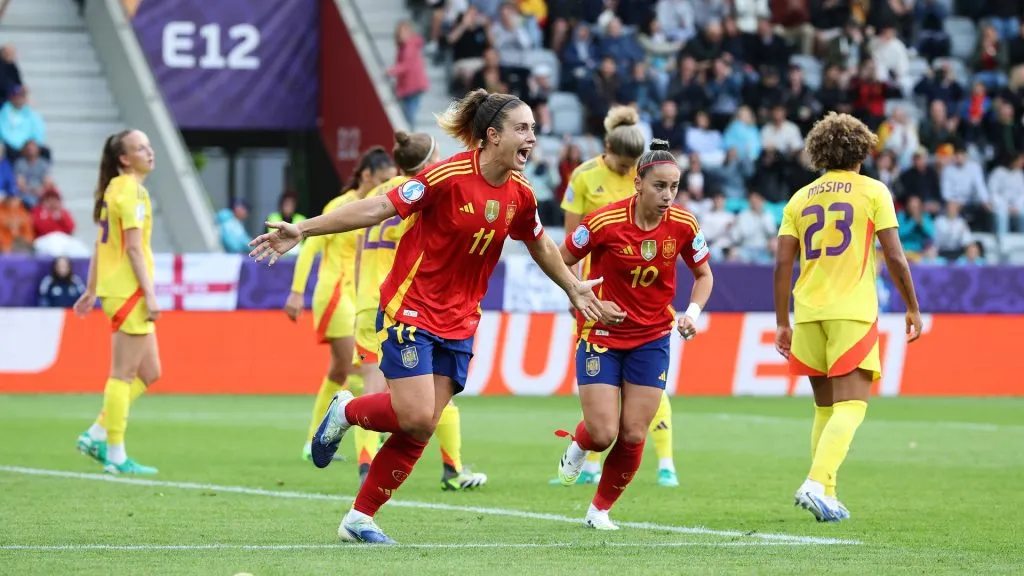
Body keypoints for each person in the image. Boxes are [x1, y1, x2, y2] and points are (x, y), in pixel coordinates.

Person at [249, 89, 615, 544]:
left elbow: (539, 243)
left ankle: (359, 519)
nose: (532, 138)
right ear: (492, 135)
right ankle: (346, 410)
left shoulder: (521, 194)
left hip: (461, 321)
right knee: (418, 415)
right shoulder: (447, 176)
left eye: (534, 130)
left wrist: (573, 284)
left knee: (419, 427)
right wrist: (302, 229)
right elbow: (379, 207)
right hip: (412, 307)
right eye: (523, 129)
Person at [554, 139, 713, 530]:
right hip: (602, 336)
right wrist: (585, 297)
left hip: (653, 337)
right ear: (638, 182)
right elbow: (560, 260)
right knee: (602, 431)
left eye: (674, 187)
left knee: (633, 432)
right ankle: (579, 444)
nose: (667, 195)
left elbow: (704, 275)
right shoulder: (604, 222)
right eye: (659, 186)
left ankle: (599, 511)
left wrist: (692, 312)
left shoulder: (684, 224)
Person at [773, 112, 923, 522]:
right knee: (852, 407)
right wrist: (912, 305)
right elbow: (894, 255)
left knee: (826, 409)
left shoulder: (799, 199)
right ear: (862, 149)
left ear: (819, 150)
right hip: (851, 313)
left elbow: (782, 266)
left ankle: (828, 494)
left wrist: (783, 322)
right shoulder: (873, 191)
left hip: (808, 314)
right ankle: (815, 482)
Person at [352, 131, 488, 491]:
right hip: (407, 302)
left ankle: (367, 464)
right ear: (431, 157)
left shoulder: (375, 194)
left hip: (367, 300)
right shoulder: (427, 192)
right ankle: (452, 467)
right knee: (427, 396)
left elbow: (357, 249)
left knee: (382, 386)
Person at [557, 105, 681, 488]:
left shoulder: (654, 182)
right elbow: (570, 244)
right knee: (604, 408)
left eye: (634, 166)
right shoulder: (584, 177)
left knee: (647, 392)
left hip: (649, 294)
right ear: (608, 149)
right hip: (601, 297)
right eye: (624, 164)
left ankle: (666, 461)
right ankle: (591, 458)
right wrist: (576, 291)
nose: (630, 172)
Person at [286, 147, 396, 462]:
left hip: (358, 295)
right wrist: (296, 292)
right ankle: (370, 439)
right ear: (367, 176)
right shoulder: (342, 206)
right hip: (335, 294)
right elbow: (309, 248)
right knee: (364, 367)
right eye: (383, 179)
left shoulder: (380, 208)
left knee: (339, 369)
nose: (388, 184)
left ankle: (313, 439)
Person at [73, 129, 161, 475]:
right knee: (122, 374)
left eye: (149, 145)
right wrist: (150, 294)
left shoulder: (113, 188)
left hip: (118, 289)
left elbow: (101, 244)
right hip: (130, 292)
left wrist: (92, 288)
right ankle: (115, 453)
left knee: (151, 372)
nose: (149, 151)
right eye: (141, 147)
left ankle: (96, 432)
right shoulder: (132, 192)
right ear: (125, 158)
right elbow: (134, 248)